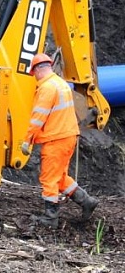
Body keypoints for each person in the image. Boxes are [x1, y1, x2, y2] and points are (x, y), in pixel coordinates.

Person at [21, 53, 99, 228]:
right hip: (68, 136)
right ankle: (87, 201)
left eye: (34, 74)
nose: (35, 78)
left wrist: (27, 140)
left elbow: (37, 118)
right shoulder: (61, 84)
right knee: (60, 177)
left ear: (38, 70)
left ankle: (50, 218)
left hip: (55, 139)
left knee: (48, 178)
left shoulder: (47, 87)